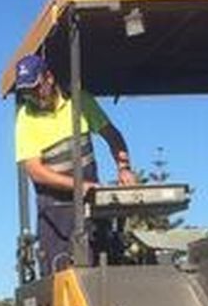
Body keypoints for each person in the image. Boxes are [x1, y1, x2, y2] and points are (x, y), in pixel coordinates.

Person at [12, 52, 138, 275]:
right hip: (55, 215)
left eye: (36, 87)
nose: (33, 96)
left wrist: (124, 168)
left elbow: (112, 136)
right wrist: (80, 186)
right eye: (26, 92)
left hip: (92, 207)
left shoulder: (80, 101)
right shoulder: (26, 117)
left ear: (48, 78)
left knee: (104, 270)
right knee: (60, 278)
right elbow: (35, 171)